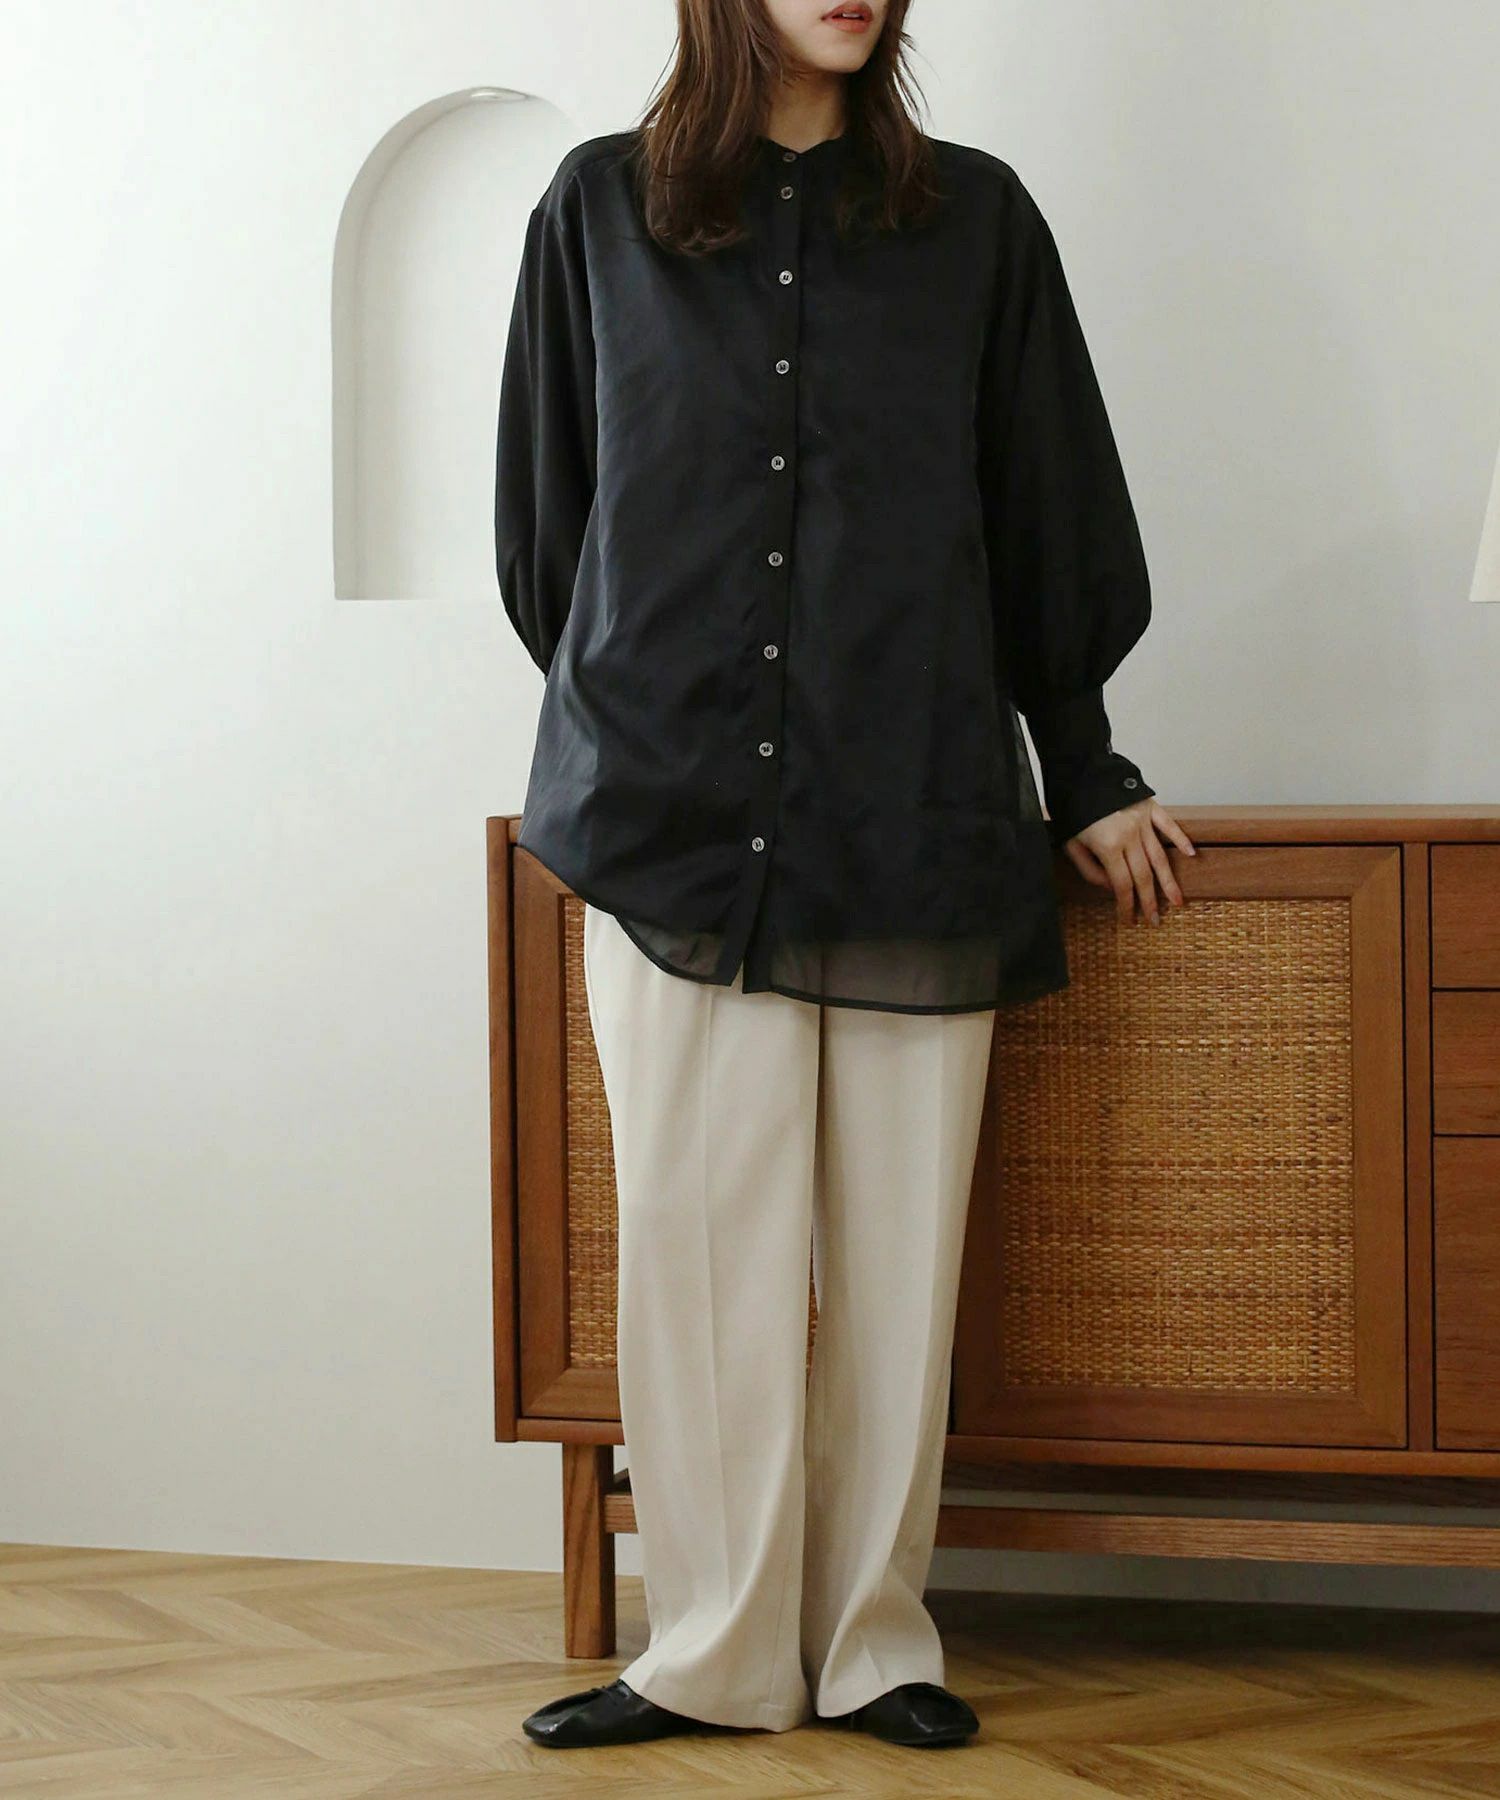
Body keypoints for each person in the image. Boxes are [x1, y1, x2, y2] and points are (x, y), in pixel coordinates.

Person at [495, 0, 1194, 1754]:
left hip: (915, 807)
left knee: (897, 1257)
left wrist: (1088, 770)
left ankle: (876, 1642)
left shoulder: (979, 223)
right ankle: (714, 1654)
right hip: (669, 824)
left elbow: (1044, 504)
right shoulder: (597, 213)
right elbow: (551, 534)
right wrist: (642, 711)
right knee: (698, 1251)